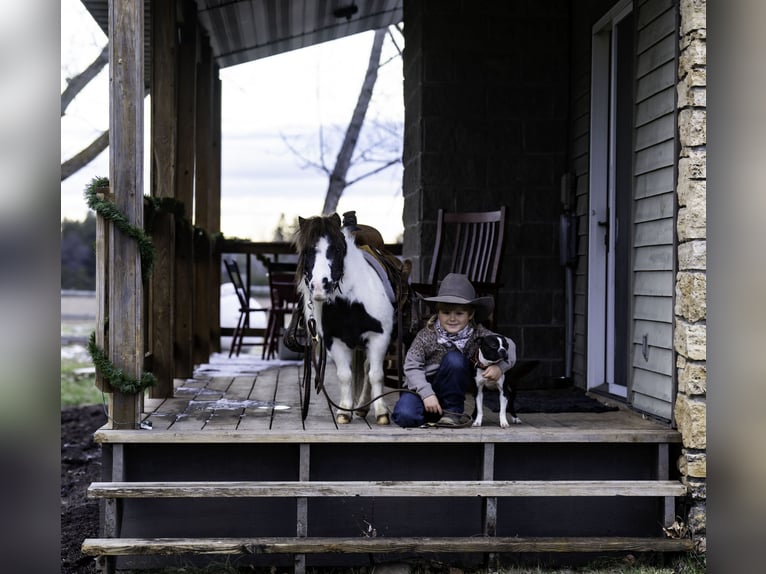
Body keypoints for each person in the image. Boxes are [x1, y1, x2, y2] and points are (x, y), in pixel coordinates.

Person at [392, 273, 517, 427]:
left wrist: (500, 367)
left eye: (459, 313)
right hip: (422, 389)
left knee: (454, 359)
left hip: (452, 390)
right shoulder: (426, 335)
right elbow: (411, 367)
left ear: (470, 314)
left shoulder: (478, 334)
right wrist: (427, 394)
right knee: (404, 415)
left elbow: (509, 345)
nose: (452, 318)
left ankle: (451, 412)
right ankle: (431, 414)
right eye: (446, 313)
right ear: (438, 313)